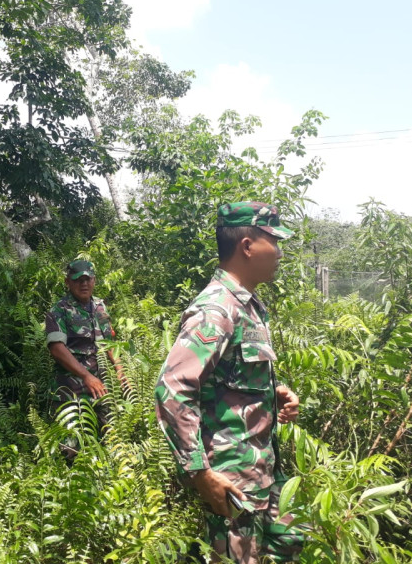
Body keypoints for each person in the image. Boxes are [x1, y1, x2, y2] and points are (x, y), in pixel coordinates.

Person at [155, 202, 304, 563]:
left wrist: (273, 392)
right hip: (232, 479)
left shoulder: (248, 305)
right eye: (274, 241)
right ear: (248, 246)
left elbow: (230, 375)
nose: (280, 252)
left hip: (263, 468)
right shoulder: (216, 309)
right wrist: (200, 473)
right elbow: (172, 389)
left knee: (291, 543)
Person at [45, 260, 122, 437]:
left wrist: (119, 369)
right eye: (78, 280)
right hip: (71, 392)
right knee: (73, 449)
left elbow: (109, 342)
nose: (84, 284)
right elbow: (57, 349)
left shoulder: (100, 307)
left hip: (102, 387)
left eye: (88, 279)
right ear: (68, 282)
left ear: (94, 280)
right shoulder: (59, 311)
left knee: (111, 441)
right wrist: (86, 376)